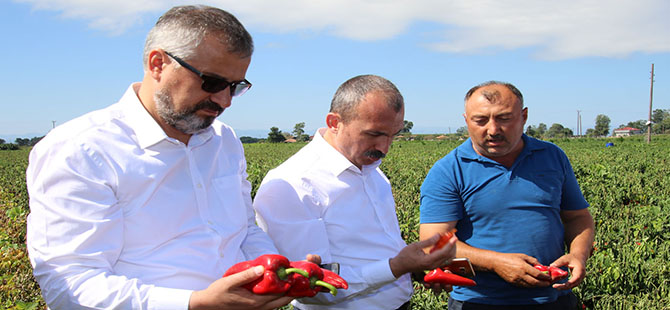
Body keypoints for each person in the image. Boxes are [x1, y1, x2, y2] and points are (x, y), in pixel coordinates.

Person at [26, 5, 311, 310]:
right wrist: (194, 303)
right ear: (158, 64)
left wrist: (276, 271)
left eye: (235, 86)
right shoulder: (81, 150)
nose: (224, 100)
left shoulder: (224, 141)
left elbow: (242, 230)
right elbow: (70, 286)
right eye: (212, 82)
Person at [252, 74, 457, 310]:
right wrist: (397, 266)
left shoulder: (371, 171)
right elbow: (311, 288)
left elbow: (375, 248)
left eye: (393, 135)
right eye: (374, 134)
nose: (384, 148)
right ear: (334, 122)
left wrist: (417, 267)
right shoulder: (291, 184)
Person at [419, 81, 595, 309]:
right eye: (480, 120)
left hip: (555, 297)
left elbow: (577, 217)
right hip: (479, 302)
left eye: (504, 118)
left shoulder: (552, 156)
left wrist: (578, 255)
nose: (493, 130)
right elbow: (433, 244)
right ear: (466, 121)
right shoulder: (449, 170)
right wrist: (495, 263)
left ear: (523, 116)